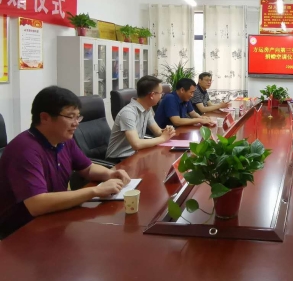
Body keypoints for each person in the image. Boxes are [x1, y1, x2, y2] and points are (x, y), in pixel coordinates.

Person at [0, 86, 131, 239]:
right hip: (19, 232)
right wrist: (95, 191)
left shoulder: (63, 140)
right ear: (45, 117)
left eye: (78, 117)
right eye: (70, 116)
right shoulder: (25, 150)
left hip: (53, 218)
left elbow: (87, 168)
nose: (76, 123)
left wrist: (110, 174)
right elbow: (36, 204)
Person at [107, 76, 177, 161]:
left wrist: (166, 131)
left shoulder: (147, 109)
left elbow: (157, 132)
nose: (161, 96)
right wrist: (163, 138)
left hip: (135, 155)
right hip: (119, 159)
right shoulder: (128, 113)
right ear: (152, 95)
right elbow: (136, 144)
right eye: (160, 93)